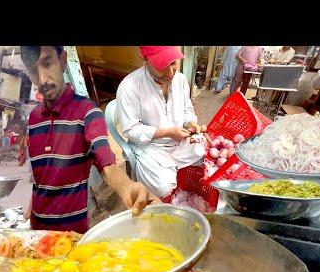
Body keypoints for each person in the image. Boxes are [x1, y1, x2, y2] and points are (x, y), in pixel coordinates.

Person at [20, 46, 157, 234]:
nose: (42, 79)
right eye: (33, 70)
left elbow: (107, 163)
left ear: (63, 59)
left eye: (47, 63)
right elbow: (41, 175)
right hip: (35, 235)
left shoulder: (87, 113)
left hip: (70, 238)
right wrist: (32, 206)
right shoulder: (34, 118)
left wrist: (127, 186)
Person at [116, 46, 207, 199]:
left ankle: (183, 183)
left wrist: (191, 123)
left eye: (173, 63)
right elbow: (131, 130)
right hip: (150, 147)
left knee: (206, 153)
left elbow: (187, 109)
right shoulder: (129, 87)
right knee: (163, 188)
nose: (170, 73)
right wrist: (168, 132)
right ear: (144, 59)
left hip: (179, 142)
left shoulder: (180, 79)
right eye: (162, 66)